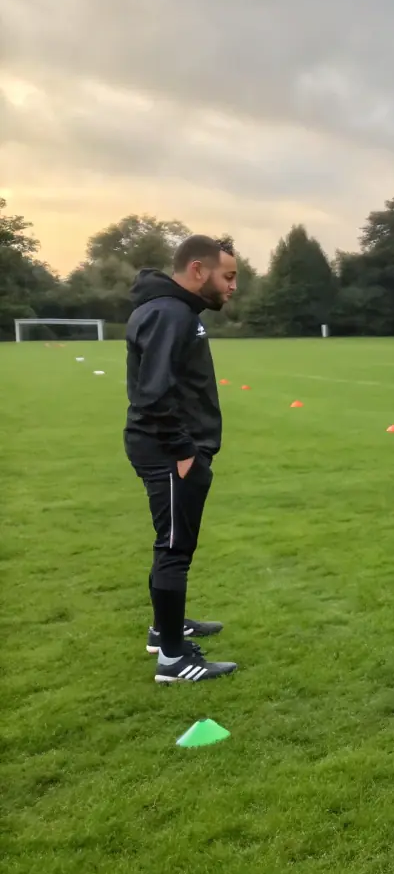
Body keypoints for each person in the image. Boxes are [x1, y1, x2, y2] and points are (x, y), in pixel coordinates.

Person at [124, 235, 239, 683]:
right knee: (174, 549)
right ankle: (173, 659)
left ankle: (164, 629)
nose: (232, 287)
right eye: (227, 277)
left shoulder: (174, 311)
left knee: (172, 544)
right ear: (198, 269)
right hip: (169, 451)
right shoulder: (169, 313)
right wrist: (184, 451)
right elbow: (153, 394)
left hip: (171, 449)